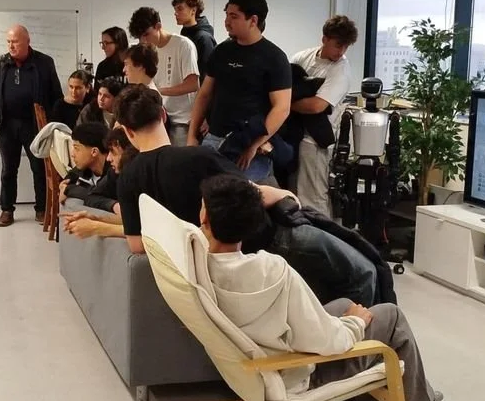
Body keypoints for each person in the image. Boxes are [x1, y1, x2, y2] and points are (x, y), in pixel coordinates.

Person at [198, 174, 468, 401]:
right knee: (391, 317)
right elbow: (328, 341)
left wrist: (348, 316)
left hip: (259, 361)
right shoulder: (273, 270)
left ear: (205, 219)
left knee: (343, 304)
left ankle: (416, 393)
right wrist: (356, 323)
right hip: (295, 373)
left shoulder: (199, 262)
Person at [115, 84, 379, 305]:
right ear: (163, 115)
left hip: (217, 262)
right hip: (268, 238)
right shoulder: (198, 157)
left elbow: (137, 245)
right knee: (364, 271)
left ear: (127, 131)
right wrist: (282, 193)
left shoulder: (128, 179)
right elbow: (249, 195)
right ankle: (365, 344)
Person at [188, 0, 291, 182]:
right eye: (226, 15)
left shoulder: (274, 58)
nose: (227, 22)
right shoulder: (222, 51)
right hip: (214, 138)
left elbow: (282, 108)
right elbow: (204, 94)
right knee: (201, 190)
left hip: (248, 143)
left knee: (236, 193)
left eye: (234, 16)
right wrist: (191, 136)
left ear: (253, 20)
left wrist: (255, 145)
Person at [0, 24, 62, 227]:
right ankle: (7, 210)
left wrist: (50, 122)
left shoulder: (44, 63)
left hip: (35, 125)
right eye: (8, 42)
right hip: (7, 125)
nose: (11, 46)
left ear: (27, 42)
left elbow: (56, 94)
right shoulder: (0, 64)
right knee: (8, 170)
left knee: (39, 168)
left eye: (15, 42)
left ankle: (41, 209)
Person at [289, 15, 358, 215]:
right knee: (292, 196)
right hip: (293, 136)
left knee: (313, 200)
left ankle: (319, 235)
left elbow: (316, 106)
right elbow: (282, 87)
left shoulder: (341, 70)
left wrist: (285, 105)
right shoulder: (302, 57)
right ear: (324, 39)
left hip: (315, 142)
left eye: (345, 47)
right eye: (338, 45)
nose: (341, 51)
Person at [129, 7, 199, 146]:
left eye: (146, 34)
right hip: (160, 118)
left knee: (178, 157)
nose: (144, 40)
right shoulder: (149, 50)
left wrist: (159, 91)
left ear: (158, 26)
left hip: (182, 120)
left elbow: (193, 84)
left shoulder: (183, 45)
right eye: (140, 37)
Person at [61, 127, 139, 237]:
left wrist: (96, 226)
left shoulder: (135, 175)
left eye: (113, 152)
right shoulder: (114, 172)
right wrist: (113, 206)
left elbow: (141, 228)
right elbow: (92, 196)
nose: (108, 158)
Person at [60, 122, 115, 212]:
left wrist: (68, 189)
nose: (72, 154)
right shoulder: (85, 168)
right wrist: (65, 185)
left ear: (94, 152)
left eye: (77, 148)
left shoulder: (113, 171)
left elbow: (95, 194)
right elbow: (71, 176)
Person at [173, 0, 217, 81]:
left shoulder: (204, 38)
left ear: (193, 10)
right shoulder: (184, 34)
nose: (175, 13)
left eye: (180, 9)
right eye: (175, 10)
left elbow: (206, 74)